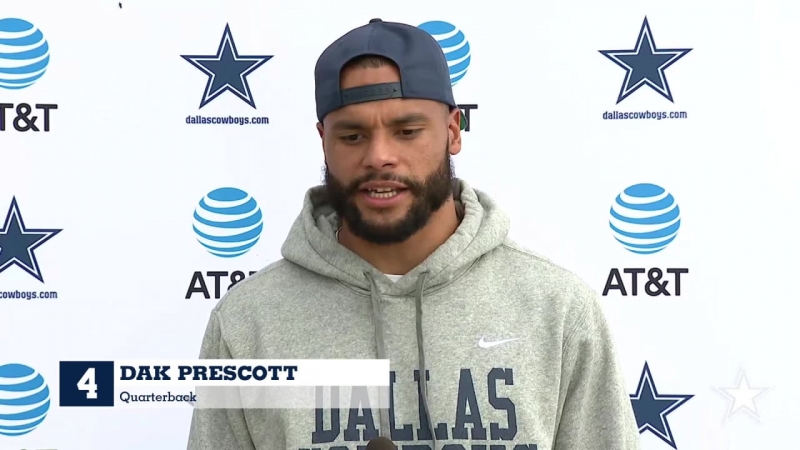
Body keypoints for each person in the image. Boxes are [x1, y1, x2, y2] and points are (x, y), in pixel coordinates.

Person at [187, 18, 641, 450]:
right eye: (352, 136)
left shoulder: (556, 308)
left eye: (406, 131)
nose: (379, 156)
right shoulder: (247, 321)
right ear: (323, 140)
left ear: (453, 131)